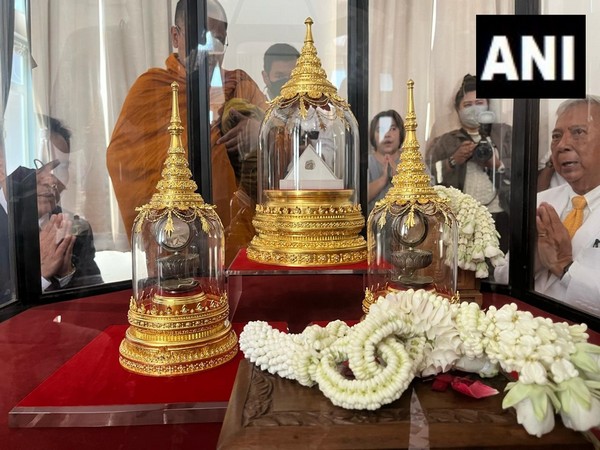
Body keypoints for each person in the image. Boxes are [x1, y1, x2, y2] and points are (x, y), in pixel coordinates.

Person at [106, 0, 267, 265]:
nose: (211, 49)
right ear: (175, 36)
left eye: (219, 40)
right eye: (202, 37)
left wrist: (258, 131)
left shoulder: (239, 85)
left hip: (237, 233)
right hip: (175, 238)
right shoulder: (152, 89)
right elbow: (123, 159)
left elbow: (280, 143)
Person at [495, 96, 600, 317]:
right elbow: (502, 276)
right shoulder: (542, 201)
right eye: (556, 136)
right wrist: (533, 259)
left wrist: (563, 265)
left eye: (578, 132)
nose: (562, 145)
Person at [426, 74, 512, 252]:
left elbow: (525, 172)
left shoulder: (505, 134)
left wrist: (497, 165)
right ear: (458, 110)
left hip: (502, 213)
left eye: (479, 102)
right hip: (462, 217)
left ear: (489, 104)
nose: (474, 109)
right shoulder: (445, 141)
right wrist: (452, 160)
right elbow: (429, 177)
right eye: (467, 105)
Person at [36, 117, 103, 291]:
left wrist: (66, 275)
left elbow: (95, 300)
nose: (51, 179)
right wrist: (42, 277)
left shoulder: (78, 228)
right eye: (39, 165)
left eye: (61, 167)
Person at [367, 110, 405, 213]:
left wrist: (399, 178)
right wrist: (382, 180)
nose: (387, 134)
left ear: (401, 132)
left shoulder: (412, 159)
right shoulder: (366, 163)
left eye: (392, 129)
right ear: (373, 136)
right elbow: (354, 199)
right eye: (381, 130)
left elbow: (431, 192)